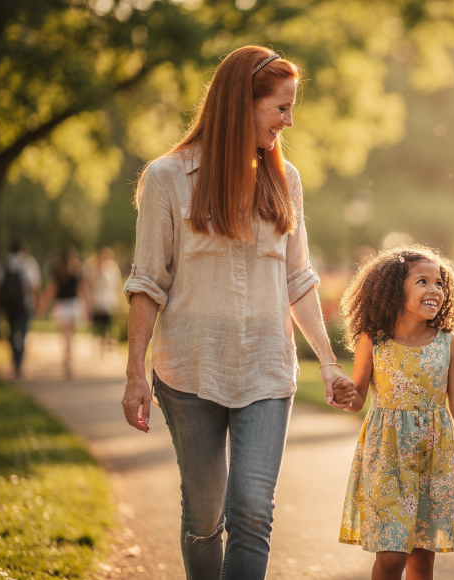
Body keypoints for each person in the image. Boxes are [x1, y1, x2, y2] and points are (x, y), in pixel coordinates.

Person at [120, 46, 356, 580]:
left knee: (252, 510)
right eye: (281, 107)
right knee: (205, 518)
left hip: (267, 373)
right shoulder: (167, 177)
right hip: (189, 372)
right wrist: (136, 372)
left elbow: (298, 278)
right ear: (240, 104)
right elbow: (147, 282)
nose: (289, 121)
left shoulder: (285, 180)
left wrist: (329, 360)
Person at [336, 245, 454, 580]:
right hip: (387, 456)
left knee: (422, 558)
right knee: (392, 554)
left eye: (439, 283)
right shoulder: (374, 340)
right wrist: (345, 394)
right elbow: (358, 398)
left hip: (434, 457)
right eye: (422, 281)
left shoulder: (447, 342)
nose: (434, 290)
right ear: (395, 291)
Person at [0, 238, 41, 377]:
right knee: (23, 331)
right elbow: (34, 285)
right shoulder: (28, 262)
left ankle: (15, 358)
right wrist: (37, 301)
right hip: (25, 303)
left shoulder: (4, 262)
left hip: (9, 304)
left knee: (12, 330)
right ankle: (20, 360)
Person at [40, 246, 86, 379]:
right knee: (71, 336)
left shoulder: (58, 273)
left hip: (61, 306)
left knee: (65, 336)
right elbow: (82, 290)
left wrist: (43, 305)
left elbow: (50, 290)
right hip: (72, 305)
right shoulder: (76, 272)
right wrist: (87, 306)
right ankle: (69, 360)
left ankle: (67, 359)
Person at [88, 247, 123, 357]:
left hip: (109, 301)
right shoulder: (96, 268)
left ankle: (106, 347)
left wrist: (119, 300)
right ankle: (100, 345)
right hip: (98, 301)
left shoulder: (113, 268)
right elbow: (91, 284)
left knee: (108, 325)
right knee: (99, 325)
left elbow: (117, 285)